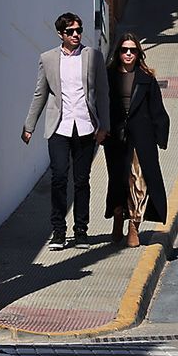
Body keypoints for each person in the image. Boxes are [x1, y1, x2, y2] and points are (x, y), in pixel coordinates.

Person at [22, 12, 110, 250]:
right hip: (59, 127)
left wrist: (104, 126)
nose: (76, 35)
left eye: (79, 30)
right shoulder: (48, 58)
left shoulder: (93, 56)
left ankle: (81, 231)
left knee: (82, 181)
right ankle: (58, 231)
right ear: (61, 34)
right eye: (70, 31)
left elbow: (102, 93)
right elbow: (40, 93)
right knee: (59, 177)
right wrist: (29, 126)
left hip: (85, 126)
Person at [104, 33, 171, 249]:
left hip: (141, 138)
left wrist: (160, 135)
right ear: (118, 52)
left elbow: (157, 109)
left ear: (139, 53)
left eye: (133, 50)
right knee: (118, 181)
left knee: (139, 182)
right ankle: (117, 214)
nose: (129, 54)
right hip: (116, 138)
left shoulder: (146, 78)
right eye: (125, 50)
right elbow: (99, 104)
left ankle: (134, 224)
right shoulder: (108, 76)